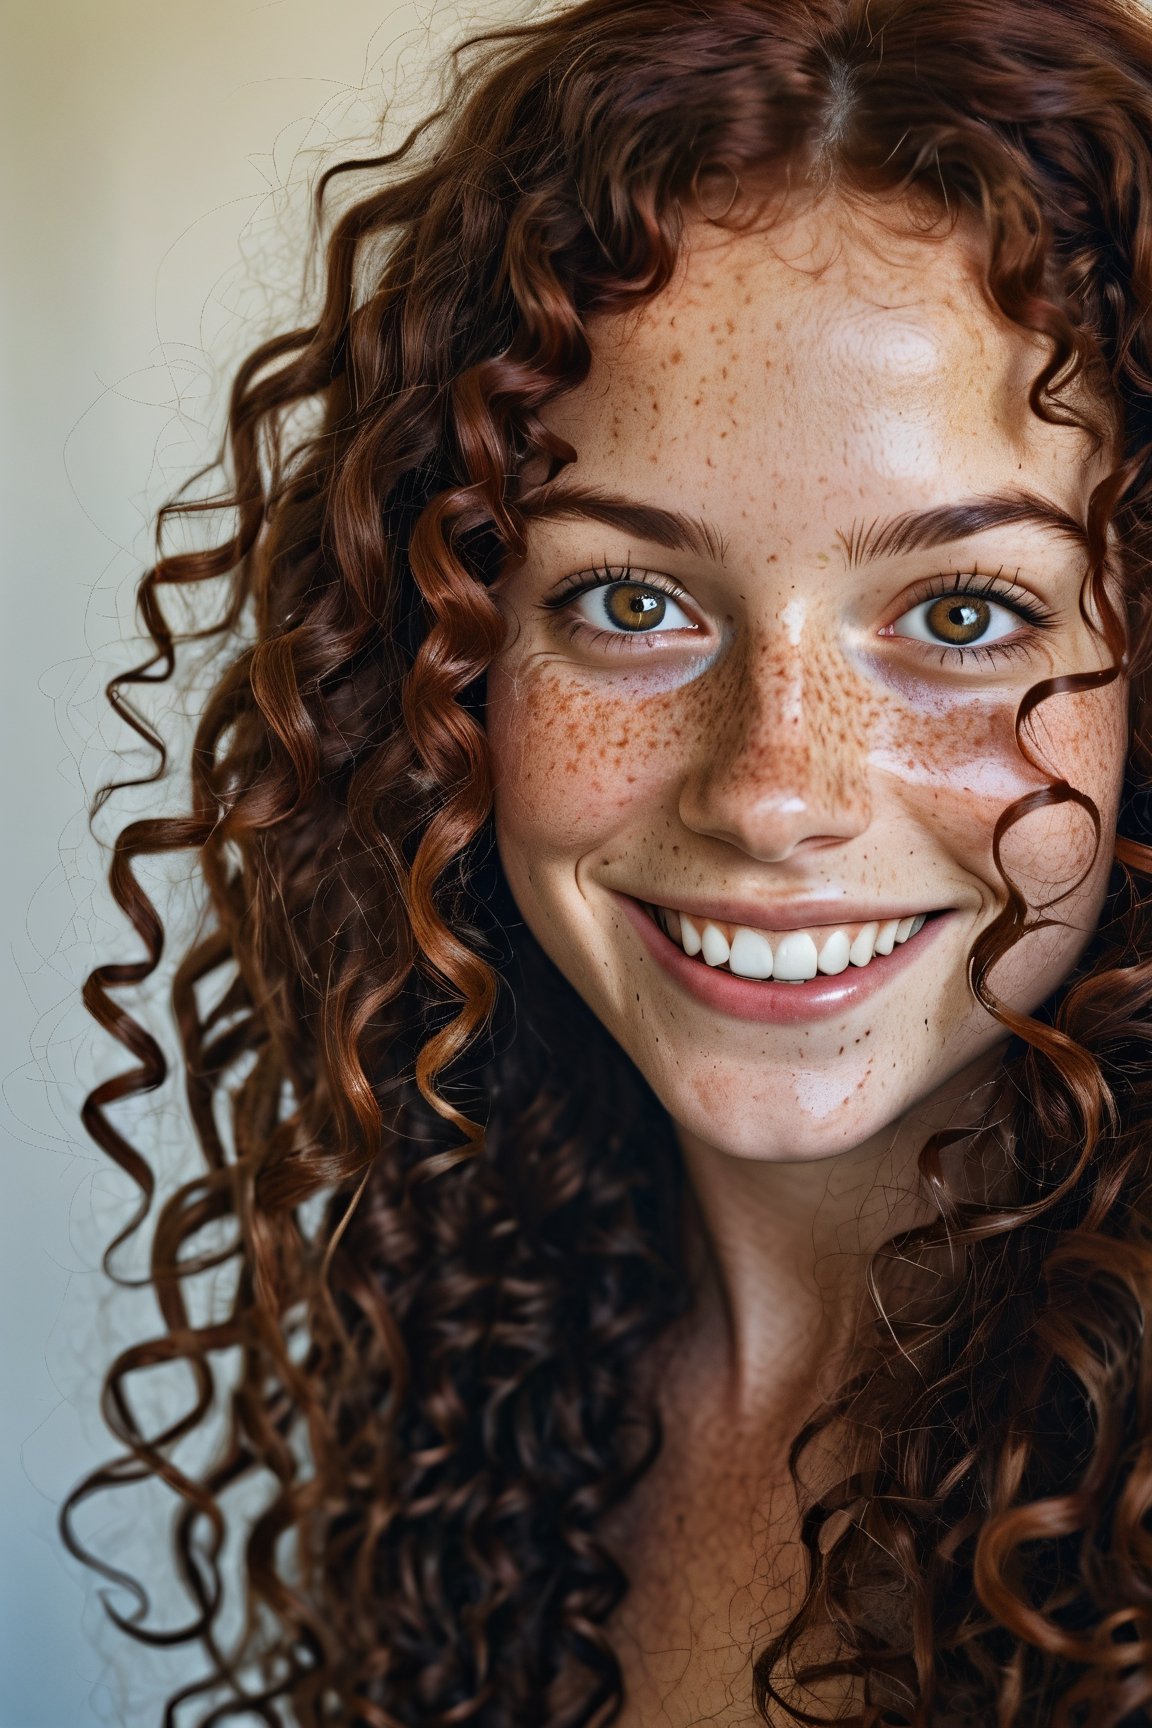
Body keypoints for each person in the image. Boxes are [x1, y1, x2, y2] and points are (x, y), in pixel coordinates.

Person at [61, 0, 1152, 1722]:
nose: (776, 791)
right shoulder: (482, 1359)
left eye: (964, 614)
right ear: (442, 668)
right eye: (628, 601)